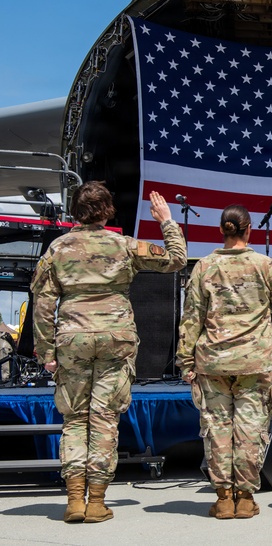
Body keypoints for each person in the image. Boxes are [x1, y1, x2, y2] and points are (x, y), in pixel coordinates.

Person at [31, 182, 186, 523]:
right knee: (103, 418)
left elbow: (43, 302)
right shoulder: (124, 245)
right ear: (107, 211)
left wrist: (46, 351)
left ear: (76, 210)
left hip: (73, 338)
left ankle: (74, 499)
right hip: (116, 338)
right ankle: (97, 501)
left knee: (75, 419)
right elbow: (176, 259)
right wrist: (166, 221)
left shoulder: (58, 248)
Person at [176, 205, 272, 520]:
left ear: (222, 230)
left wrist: (185, 361)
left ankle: (223, 498)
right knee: (249, 430)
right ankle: (245, 498)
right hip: (253, 363)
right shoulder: (263, 264)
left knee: (217, 430)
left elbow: (191, 317)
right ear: (249, 230)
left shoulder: (204, 266)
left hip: (213, 362)